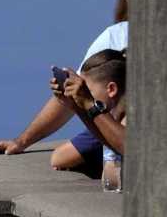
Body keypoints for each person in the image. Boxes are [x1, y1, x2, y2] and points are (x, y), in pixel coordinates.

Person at [0, 0, 129, 159]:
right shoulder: (118, 35)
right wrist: (22, 141)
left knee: (64, 158)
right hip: (110, 126)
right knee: (63, 158)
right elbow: (82, 91)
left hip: (122, 131)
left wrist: (85, 104)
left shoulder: (120, 35)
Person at [47, 50, 128, 179]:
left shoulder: (128, 121)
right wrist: (76, 105)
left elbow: (131, 147)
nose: (83, 95)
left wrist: (90, 105)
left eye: (87, 91)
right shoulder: (111, 124)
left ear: (111, 89)